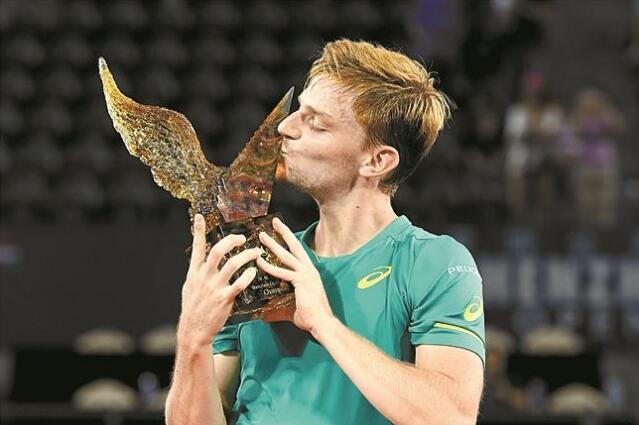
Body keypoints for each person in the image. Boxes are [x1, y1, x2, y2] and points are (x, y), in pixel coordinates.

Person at [165, 39, 485, 425]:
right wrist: (192, 337)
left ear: (377, 160)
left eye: (315, 123)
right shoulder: (254, 258)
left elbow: (451, 416)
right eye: (299, 112)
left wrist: (324, 322)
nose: (285, 127)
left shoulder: (432, 263)